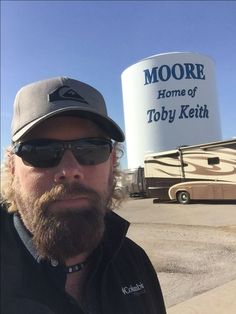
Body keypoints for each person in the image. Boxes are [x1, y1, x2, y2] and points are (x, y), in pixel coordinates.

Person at [1, 77, 166, 314]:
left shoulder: (134, 261)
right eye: (41, 151)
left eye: (91, 149)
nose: (69, 171)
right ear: (12, 167)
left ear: (112, 163)